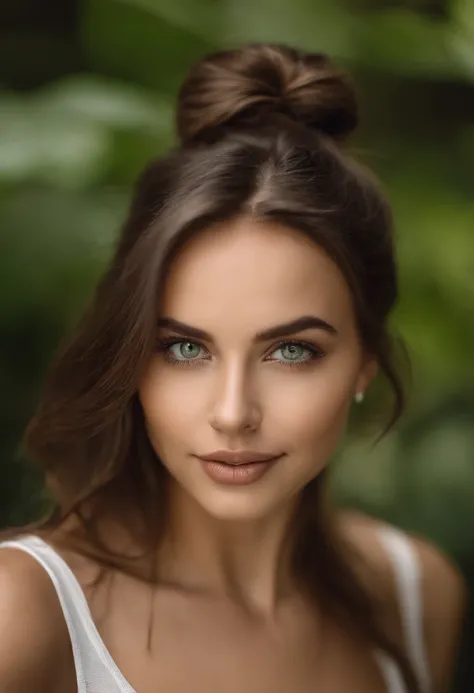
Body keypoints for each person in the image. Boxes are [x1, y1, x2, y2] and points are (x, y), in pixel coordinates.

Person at [0, 43, 466, 693]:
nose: (231, 412)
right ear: (130, 355)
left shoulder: (415, 597)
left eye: (291, 350)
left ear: (364, 360)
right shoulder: (26, 612)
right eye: (185, 348)